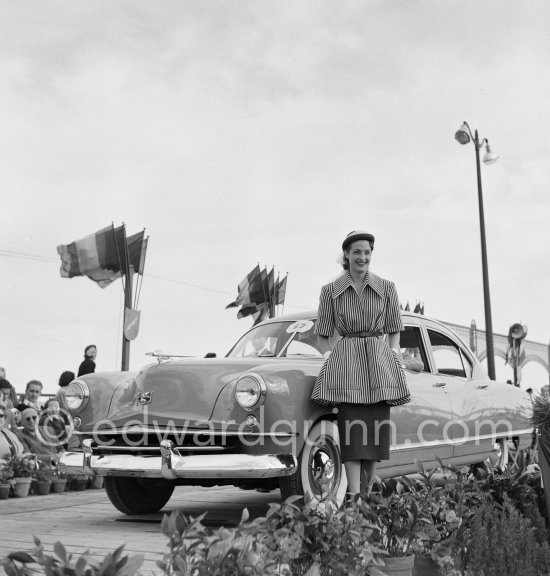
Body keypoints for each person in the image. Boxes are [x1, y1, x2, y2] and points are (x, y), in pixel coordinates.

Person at [311, 230, 411, 498]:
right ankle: (355, 497)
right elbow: (322, 333)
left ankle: (367, 492)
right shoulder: (330, 291)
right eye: (356, 252)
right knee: (353, 432)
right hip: (347, 366)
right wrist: (329, 357)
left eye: (367, 252)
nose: (362, 257)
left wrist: (394, 355)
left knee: (375, 433)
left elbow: (394, 330)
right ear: (346, 254)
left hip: (379, 365)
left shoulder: (387, 288)